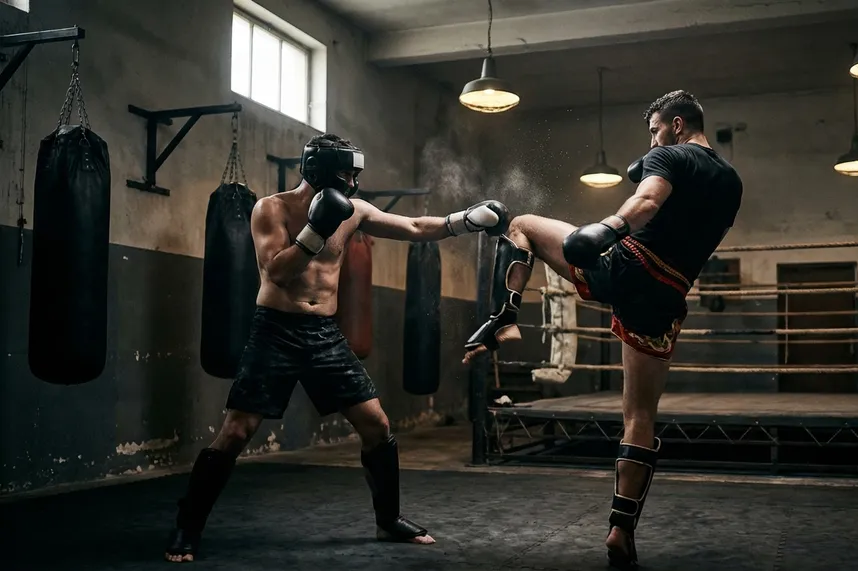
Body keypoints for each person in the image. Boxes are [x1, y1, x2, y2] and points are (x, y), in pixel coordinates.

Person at [164, 133, 511, 562]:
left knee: (376, 425)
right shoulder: (271, 209)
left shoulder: (354, 212)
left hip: (324, 334)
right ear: (320, 170)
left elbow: (415, 228)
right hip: (275, 329)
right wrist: (316, 230)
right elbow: (276, 273)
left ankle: (388, 521)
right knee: (237, 431)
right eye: (346, 172)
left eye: (355, 172)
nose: (352, 180)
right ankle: (188, 526)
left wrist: (465, 220)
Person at [462, 90, 743, 570]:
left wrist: (609, 226)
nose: (651, 139)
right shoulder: (732, 183)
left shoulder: (670, 154)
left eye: (654, 129)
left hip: (628, 267)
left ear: (676, 125)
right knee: (640, 416)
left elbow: (648, 199)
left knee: (523, 223)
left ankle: (507, 318)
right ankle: (621, 529)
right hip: (666, 298)